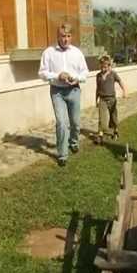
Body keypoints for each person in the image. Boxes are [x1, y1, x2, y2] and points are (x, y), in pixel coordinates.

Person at [38, 23, 89, 167]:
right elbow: (42, 73)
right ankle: (62, 154)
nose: (65, 39)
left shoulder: (77, 53)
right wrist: (57, 76)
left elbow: (85, 72)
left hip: (74, 90)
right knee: (61, 123)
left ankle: (73, 141)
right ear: (57, 36)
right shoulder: (49, 52)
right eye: (62, 36)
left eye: (68, 36)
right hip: (57, 91)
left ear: (71, 37)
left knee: (75, 122)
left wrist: (76, 78)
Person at [95, 55, 127, 144]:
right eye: (101, 66)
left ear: (109, 66)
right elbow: (97, 89)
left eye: (105, 66)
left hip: (112, 99)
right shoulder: (98, 76)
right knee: (102, 118)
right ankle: (100, 135)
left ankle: (115, 131)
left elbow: (120, 81)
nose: (103, 68)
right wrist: (96, 99)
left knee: (113, 117)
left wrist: (124, 91)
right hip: (102, 99)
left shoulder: (113, 74)